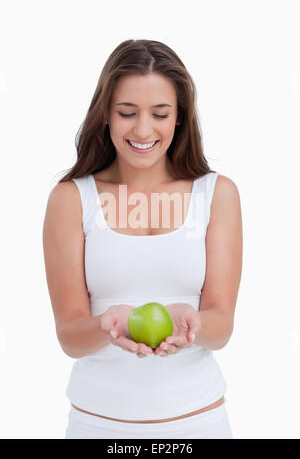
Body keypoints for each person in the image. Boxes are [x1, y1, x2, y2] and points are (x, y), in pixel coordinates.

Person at [42, 39, 243, 439]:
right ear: (105, 115)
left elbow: (221, 324)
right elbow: (69, 335)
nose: (143, 129)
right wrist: (107, 325)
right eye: (127, 113)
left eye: (160, 113)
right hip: (97, 428)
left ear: (179, 117)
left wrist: (193, 324)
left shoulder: (216, 194)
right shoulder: (70, 199)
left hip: (199, 425)